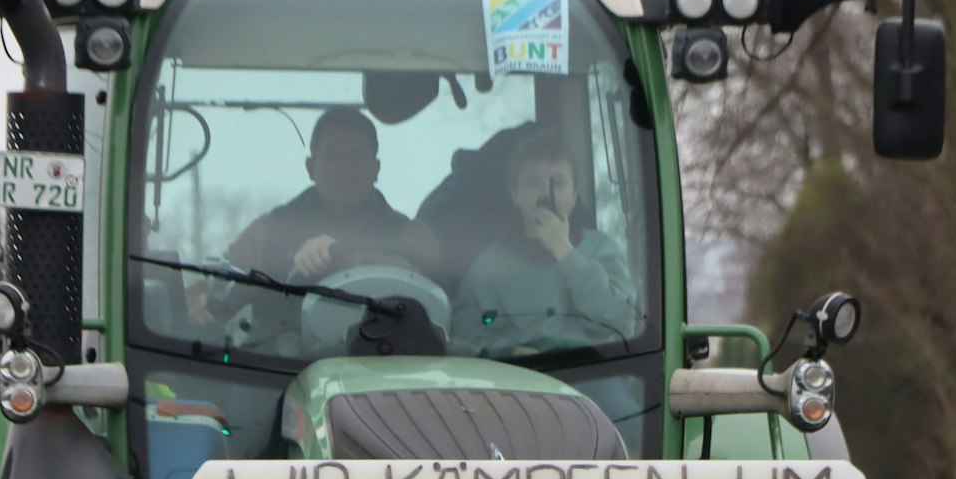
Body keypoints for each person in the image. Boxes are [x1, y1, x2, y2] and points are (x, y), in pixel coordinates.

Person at [189, 108, 439, 335]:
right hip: (278, 364)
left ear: (376, 169)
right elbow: (225, 282)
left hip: (389, 361)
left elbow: (438, 284)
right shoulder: (269, 232)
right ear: (311, 167)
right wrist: (196, 297)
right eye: (331, 155)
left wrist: (339, 252)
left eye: (357, 157)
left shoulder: (412, 236)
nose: (344, 168)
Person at [452, 132, 639, 358]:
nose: (545, 194)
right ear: (515, 194)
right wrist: (507, 351)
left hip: (595, 370)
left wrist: (566, 254)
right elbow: (465, 329)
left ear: (574, 195)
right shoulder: (490, 265)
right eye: (533, 183)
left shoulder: (600, 249)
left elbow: (621, 321)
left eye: (558, 184)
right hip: (519, 372)